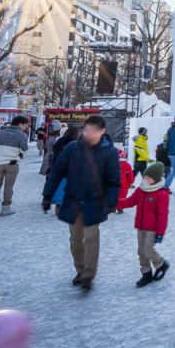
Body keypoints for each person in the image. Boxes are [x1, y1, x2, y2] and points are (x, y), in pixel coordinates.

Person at [41, 115, 121, 293]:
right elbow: (57, 171)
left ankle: (88, 275)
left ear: (102, 132)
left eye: (93, 130)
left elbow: (114, 180)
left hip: (95, 201)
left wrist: (110, 202)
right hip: (74, 200)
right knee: (76, 240)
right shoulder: (72, 148)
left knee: (91, 238)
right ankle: (80, 269)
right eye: (86, 129)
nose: (89, 133)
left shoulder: (109, 152)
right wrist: (47, 195)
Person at [117, 161, 171, 287]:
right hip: (140, 227)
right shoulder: (141, 190)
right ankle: (146, 274)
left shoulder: (161, 194)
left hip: (152, 229)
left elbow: (163, 215)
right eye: (145, 176)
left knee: (148, 250)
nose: (145, 179)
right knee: (141, 251)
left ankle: (161, 264)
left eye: (149, 177)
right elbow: (130, 202)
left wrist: (160, 233)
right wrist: (114, 203)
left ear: (156, 179)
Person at [0, 115, 29, 218]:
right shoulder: (22, 135)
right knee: (8, 185)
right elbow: (24, 149)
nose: (26, 127)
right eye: (25, 125)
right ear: (20, 124)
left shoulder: (0, 133)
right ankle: (6, 207)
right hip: (12, 163)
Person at [47, 126, 80, 215]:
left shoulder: (60, 141)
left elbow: (54, 153)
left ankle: (58, 208)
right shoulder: (76, 143)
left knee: (60, 188)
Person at [117, 149, 135, 214]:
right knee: (122, 196)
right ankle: (120, 208)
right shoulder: (127, 165)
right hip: (124, 184)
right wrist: (131, 182)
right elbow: (130, 175)